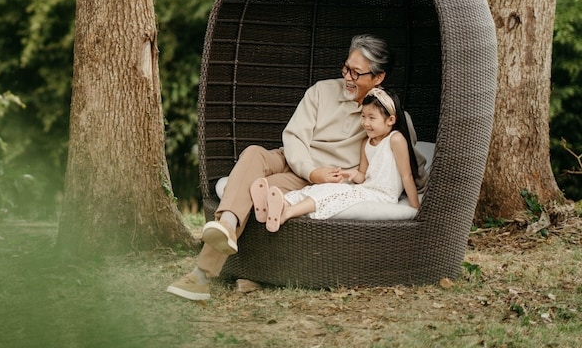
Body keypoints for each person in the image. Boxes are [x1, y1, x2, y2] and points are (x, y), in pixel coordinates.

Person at [166, 34, 425, 301]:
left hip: (324, 182)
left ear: (378, 77)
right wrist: (311, 171)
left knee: (251, 193)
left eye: (357, 73)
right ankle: (227, 226)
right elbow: (294, 139)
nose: (348, 77)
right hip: (294, 161)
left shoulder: (390, 118)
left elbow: (407, 159)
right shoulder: (321, 92)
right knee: (254, 153)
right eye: (346, 68)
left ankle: (200, 276)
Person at [254, 87, 420, 232]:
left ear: (391, 120)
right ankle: (279, 204)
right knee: (325, 188)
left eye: (372, 118)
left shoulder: (396, 139)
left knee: (334, 194)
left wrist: (415, 208)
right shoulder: (366, 143)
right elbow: (362, 175)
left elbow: (406, 175)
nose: (365, 123)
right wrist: (349, 174)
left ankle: (287, 213)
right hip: (367, 189)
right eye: (363, 116)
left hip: (383, 196)